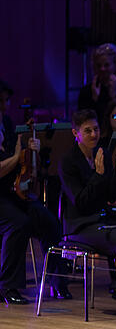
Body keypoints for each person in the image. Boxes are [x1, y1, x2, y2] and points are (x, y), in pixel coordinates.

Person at [58, 109, 116, 324]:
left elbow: (111, 195)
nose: (93, 134)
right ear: (75, 133)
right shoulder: (68, 162)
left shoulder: (100, 154)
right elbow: (82, 203)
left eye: (95, 129)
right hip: (80, 226)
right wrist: (98, 173)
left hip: (101, 220)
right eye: (87, 131)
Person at [0, 81, 70, 304]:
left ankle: (57, 281)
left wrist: (31, 154)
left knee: (49, 221)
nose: (3, 105)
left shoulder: (7, 123)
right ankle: (8, 286)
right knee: (18, 223)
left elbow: (23, 166)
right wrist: (19, 154)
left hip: (12, 193)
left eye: (5, 100)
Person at [77, 43, 116, 120]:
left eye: (107, 65)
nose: (102, 69)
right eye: (98, 65)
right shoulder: (86, 92)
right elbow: (83, 120)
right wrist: (95, 100)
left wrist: (114, 97)